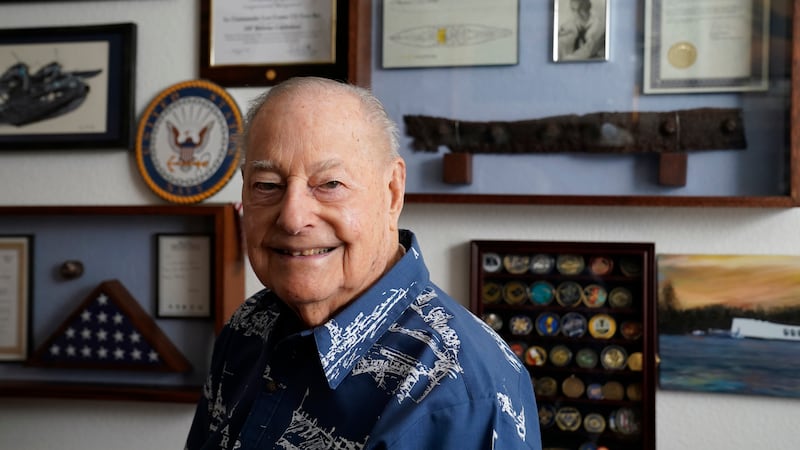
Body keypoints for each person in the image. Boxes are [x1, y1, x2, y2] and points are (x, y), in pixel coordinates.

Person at [185, 76, 542, 450]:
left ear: (392, 192)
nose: (292, 218)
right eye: (267, 185)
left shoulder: (462, 394)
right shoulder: (248, 326)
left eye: (330, 184)